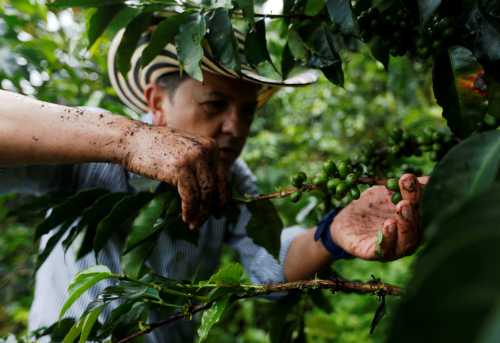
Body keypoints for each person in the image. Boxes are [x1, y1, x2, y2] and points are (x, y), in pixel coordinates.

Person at [0, 24, 426, 342]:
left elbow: (268, 264)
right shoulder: (91, 155)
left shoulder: (232, 180)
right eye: (214, 104)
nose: (234, 127)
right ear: (156, 103)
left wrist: (332, 233)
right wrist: (128, 139)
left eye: (247, 111)